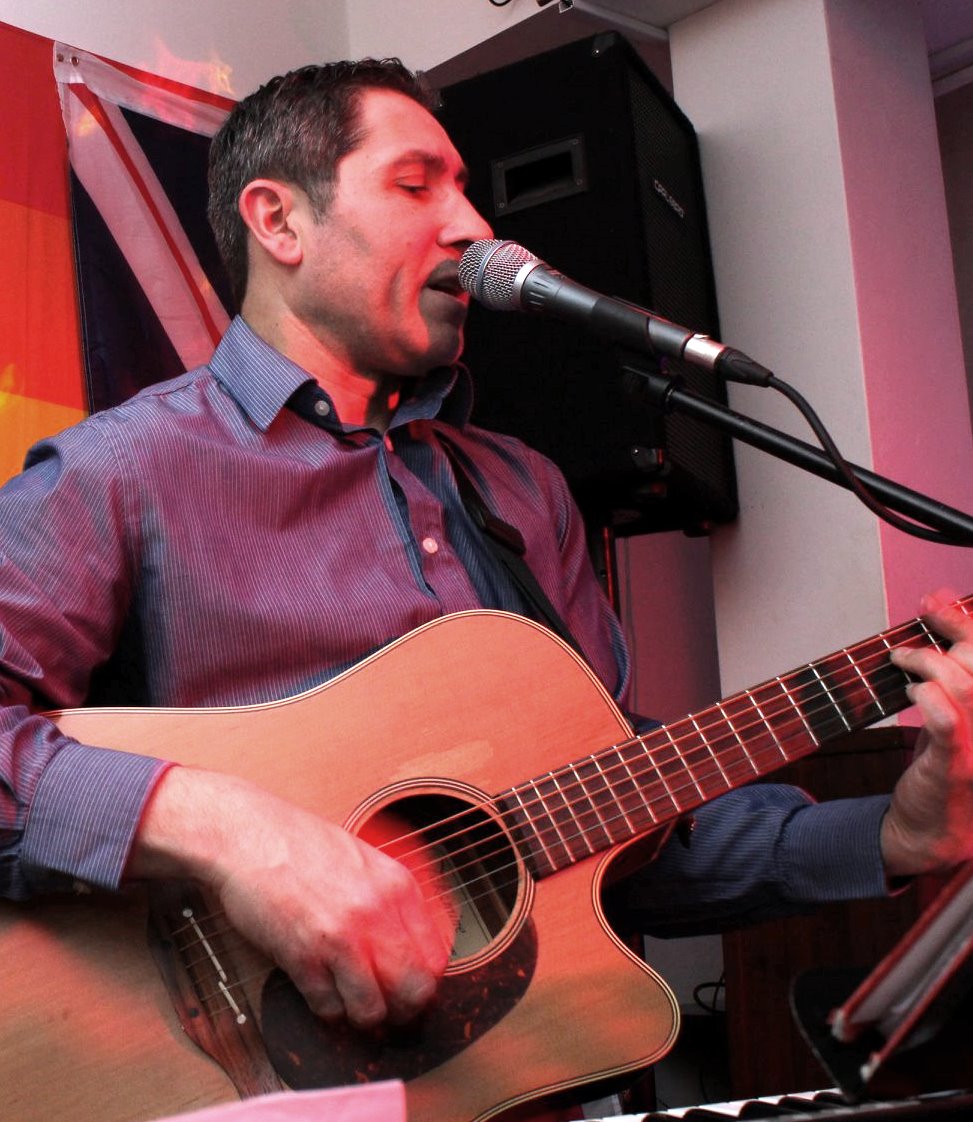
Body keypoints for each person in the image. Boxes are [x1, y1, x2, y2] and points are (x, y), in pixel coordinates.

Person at [1, 57, 972, 1045]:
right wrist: (225, 831)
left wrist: (894, 833)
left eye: (464, 190)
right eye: (417, 184)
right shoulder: (124, 472)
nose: (473, 228)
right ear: (279, 222)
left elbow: (614, 828)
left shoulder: (521, 491)